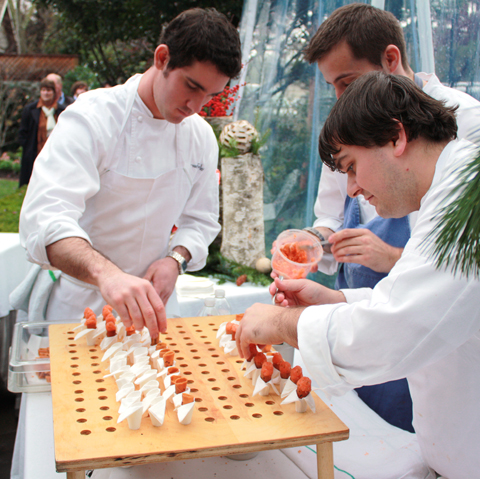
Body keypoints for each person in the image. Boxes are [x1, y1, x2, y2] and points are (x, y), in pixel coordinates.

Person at [235, 71, 480, 479]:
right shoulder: (442, 190)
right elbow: (418, 301)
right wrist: (337, 301)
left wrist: (281, 323)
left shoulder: (467, 201)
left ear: (396, 137)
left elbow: (396, 328)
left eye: (351, 167)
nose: (350, 189)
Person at [297, 2, 480, 431]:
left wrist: (288, 324)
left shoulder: (468, 151)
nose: (353, 189)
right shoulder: (361, 134)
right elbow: (403, 303)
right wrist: (334, 290)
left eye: (349, 82)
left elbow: (414, 310)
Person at [18, 8, 242, 340]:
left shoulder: (200, 137)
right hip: (79, 308)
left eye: (210, 95)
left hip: (155, 308)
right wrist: (106, 274)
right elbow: (45, 218)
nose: (196, 107)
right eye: (192, 86)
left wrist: (175, 260)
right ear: (162, 58)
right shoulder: (91, 119)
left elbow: (201, 220)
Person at [18, 77, 65, 186]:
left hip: (55, 154)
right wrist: (27, 147)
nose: (46, 93)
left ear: (54, 92)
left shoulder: (61, 110)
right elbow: (23, 132)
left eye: (49, 90)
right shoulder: (30, 110)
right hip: (34, 153)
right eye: (43, 90)